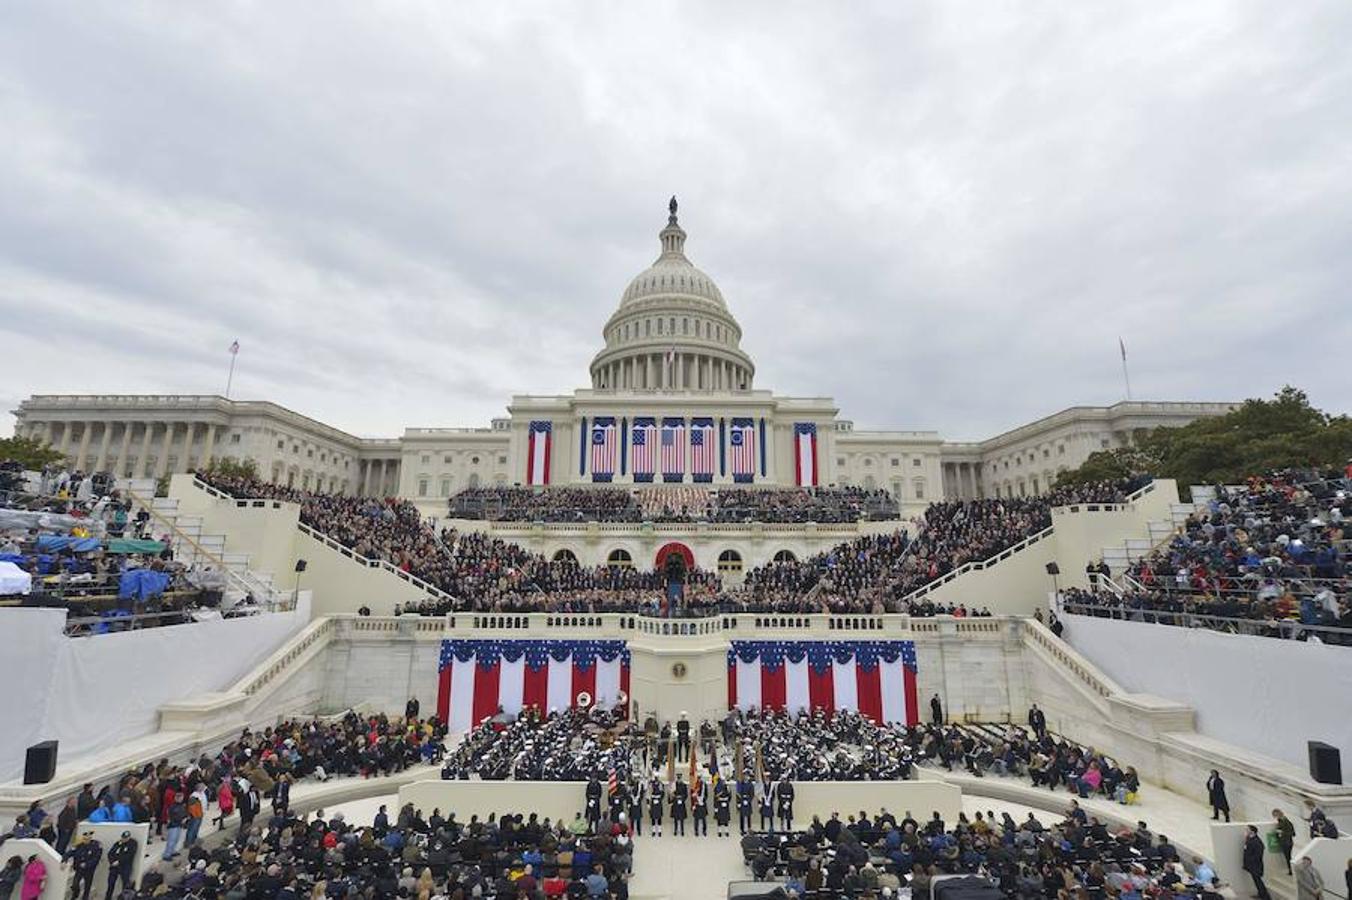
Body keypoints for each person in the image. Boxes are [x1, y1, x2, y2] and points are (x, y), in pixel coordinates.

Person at [71, 833, 103, 900]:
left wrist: (87, 864)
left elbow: (96, 859)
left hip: (89, 870)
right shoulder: (79, 845)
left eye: (87, 839)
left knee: (87, 886)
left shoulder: (95, 846)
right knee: (75, 884)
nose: (85, 840)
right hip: (79, 868)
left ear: (90, 839)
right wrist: (64, 860)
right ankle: (75, 894)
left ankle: (85, 898)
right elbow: (71, 852)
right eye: (84, 839)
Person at [106, 831, 137, 900]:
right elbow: (110, 853)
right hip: (114, 867)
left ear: (129, 837)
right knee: (110, 883)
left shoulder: (132, 844)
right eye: (123, 838)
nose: (124, 839)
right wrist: (112, 862)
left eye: (125, 838)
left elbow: (129, 855)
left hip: (125, 867)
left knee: (125, 885)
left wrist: (119, 861)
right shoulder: (118, 843)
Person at [1243, 824, 1270, 900]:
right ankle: (1260, 894)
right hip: (1251, 865)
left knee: (1258, 882)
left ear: (1252, 831)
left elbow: (1258, 854)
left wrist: (1251, 861)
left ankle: (1265, 897)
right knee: (1256, 881)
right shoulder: (1249, 839)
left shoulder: (1257, 841)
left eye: (1247, 829)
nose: (1245, 831)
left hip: (1256, 866)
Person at [1274, 809, 1296, 874]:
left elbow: (1292, 833)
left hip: (1286, 842)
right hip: (1285, 842)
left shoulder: (1286, 822)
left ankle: (1291, 870)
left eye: (1275, 815)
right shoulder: (1282, 821)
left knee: (1288, 857)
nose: (1275, 817)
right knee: (1288, 857)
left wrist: (1281, 832)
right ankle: (1290, 870)